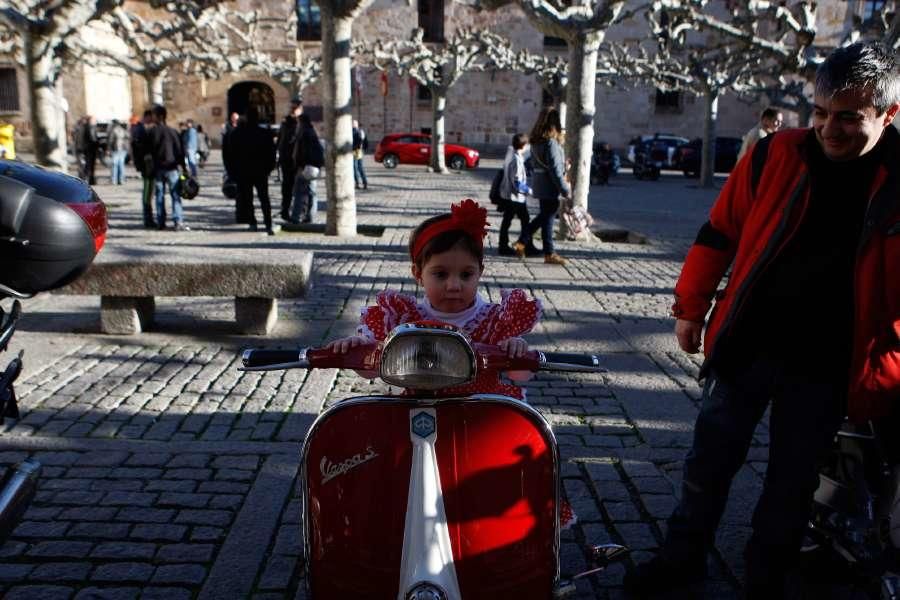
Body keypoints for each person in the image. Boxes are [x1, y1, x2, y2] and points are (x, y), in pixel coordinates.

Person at [624, 42, 900, 599]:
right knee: (708, 463)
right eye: (821, 113)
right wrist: (691, 307)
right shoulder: (775, 154)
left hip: (828, 362)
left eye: (849, 117)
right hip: (748, 342)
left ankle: (765, 578)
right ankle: (681, 562)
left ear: (888, 114)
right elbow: (719, 231)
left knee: (792, 483)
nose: (830, 129)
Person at [514, 107, 570, 265]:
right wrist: (565, 189)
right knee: (547, 218)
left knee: (545, 218)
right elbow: (554, 169)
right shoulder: (551, 142)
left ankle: (526, 243)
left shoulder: (536, 141)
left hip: (540, 184)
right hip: (550, 185)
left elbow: (537, 163)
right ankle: (546, 252)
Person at [223, 105, 277, 235]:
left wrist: (232, 171)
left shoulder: (237, 134)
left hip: (243, 171)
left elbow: (229, 155)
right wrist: (269, 168)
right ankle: (268, 223)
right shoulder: (264, 134)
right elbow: (272, 153)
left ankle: (253, 222)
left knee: (248, 199)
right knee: (264, 198)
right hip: (260, 171)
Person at [147, 104, 189, 231]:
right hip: (172, 167)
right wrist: (184, 167)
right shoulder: (173, 132)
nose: (152, 117)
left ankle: (161, 221)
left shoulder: (152, 132)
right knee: (175, 194)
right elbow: (180, 151)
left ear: (159, 116)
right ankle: (178, 220)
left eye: (153, 115)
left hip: (159, 168)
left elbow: (148, 151)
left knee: (160, 195)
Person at [497, 133, 532, 256]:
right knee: (525, 221)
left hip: (508, 194)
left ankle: (505, 245)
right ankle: (520, 244)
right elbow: (517, 182)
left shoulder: (510, 155)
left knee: (507, 220)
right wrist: (529, 190)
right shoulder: (516, 160)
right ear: (524, 145)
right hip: (515, 196)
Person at [290, 113, 323, 224]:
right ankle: (310, 216)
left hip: (305, 167)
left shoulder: (304, 134)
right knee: (311, 192)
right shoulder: (312, 132)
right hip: (313, 167)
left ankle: (296, 216)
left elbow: (302, 153)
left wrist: (299, 165)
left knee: (299, 192)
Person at [276, 98, 303, 221]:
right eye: (292, 108)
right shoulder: (291, 123)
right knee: (291, 187)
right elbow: (284, 140)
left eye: (294, 108)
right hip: (290, 160)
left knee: (290, 187)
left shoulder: (290, 122)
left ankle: (290, 210)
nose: (293, 110)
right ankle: (289, 211)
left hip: (291, 159)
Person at [131, 110, 156, 227]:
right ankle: (147, 218)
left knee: (149, 192)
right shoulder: (140, 130)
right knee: (147, 192)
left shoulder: (141, 129)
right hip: (147, 167)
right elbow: (139, 149)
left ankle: (148, 217)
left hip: (147, 166)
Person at [107, 119, 130, 185]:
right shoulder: (123, 130)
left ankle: (114, 180)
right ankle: (121, 180)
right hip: (123, 149)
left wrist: (108, 149)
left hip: (116, 149)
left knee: (114, 165)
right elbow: (128, 137)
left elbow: (110, 141)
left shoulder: (113, 130)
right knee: (121, 165)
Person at [81, 115, 100, 185]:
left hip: (88, 149)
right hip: (91, 149)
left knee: (88, 165)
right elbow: (93, 139)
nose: (95, 121)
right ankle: (90, 180)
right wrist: (97, 144)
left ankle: (90, 180)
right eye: (94, 120)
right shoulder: (90, 127)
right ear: (91, 121)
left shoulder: (85, 127)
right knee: (90, 166)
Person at [352, 119, 368, 190]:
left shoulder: (351, 132)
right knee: (360, 167)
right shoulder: (361, 131)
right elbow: (366, 142)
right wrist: (363, 148)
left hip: (354, 151)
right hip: (360, 151)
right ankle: (365, 182)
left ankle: (357, 183)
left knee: (355, 167)